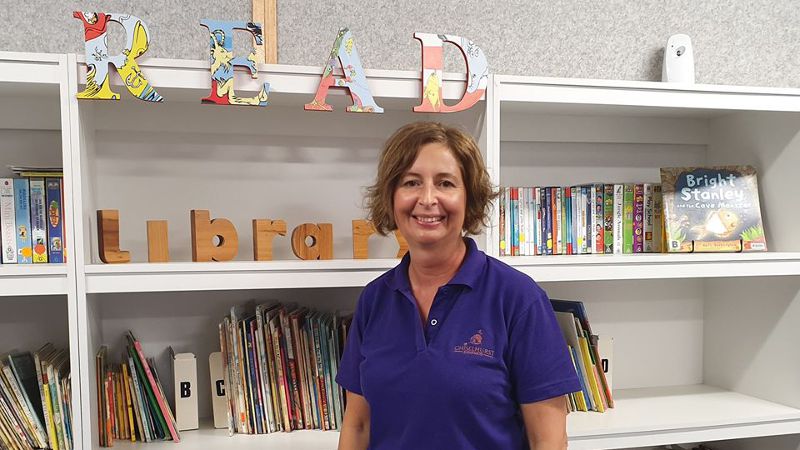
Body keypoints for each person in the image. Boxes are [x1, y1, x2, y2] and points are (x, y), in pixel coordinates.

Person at [336, 122, 581, 450]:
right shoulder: (374, 300)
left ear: (469, 198)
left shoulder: (519, 299)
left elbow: (548, 440)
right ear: (391, 198)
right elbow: (358, 425)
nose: (427, 199)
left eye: (445, 183)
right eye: (411, 182)